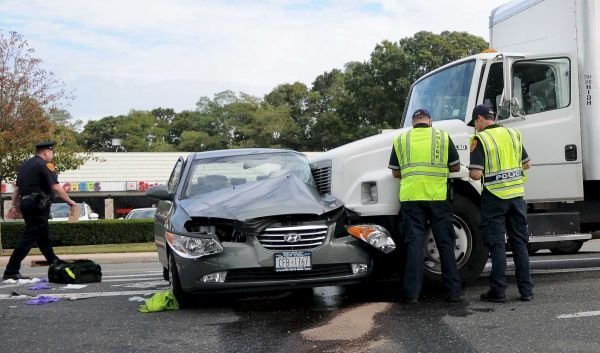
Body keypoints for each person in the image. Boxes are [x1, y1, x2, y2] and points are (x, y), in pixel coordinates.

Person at [388, 108, 463, 303]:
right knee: (445, 244)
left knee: (414, 245)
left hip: (411, 198)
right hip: (437, 197)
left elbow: (395, 173)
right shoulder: (442, 137)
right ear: (430, 121)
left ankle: (412, 294)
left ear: (413, 122)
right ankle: (453, 292)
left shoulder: (401, 140)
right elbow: (455, 166)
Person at [467, 105, 534, 302]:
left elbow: (475, 174)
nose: (475, 128)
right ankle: (526, 291)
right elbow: (527, 163)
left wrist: (469, 169)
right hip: (516, 195)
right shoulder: (513, 134)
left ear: (480, 119)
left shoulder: (480, 139)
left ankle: (498, 291)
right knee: (519, 242)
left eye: (474, 124)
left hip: (494, 196)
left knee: (497, 244)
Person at [3, 141, 77, 280]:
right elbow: (55, 187)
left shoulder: (25, 165)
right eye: (52, 153)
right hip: (38, 205)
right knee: (29, 237)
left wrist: (14, 205)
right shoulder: (45, 165)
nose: (52, 156)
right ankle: (11, 271)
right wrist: (70, 202)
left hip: (27, 203)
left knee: (42, 237)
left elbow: (17, 189)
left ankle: (54, 262)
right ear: (46, 152)